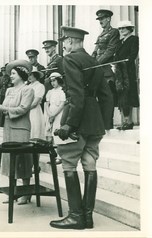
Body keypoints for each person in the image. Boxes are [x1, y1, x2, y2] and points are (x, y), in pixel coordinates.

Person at [49, 26, 113, 230]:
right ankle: (87, 217)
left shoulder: (70, 59)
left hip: (77, 119)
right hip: (95, 121)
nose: (64, 45)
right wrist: (105, 122)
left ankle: (75, 216)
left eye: (64, 41)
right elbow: (106, 95)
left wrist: (70, 124)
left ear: (70, 41)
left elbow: (76, 94)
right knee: (89, 163)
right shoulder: (94, 60)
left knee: (69, 163)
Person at [0, 59, 34, 205]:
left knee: (23, 160)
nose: (10, 76)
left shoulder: (28, 90)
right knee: (9, 160)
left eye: (13, 73)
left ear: (21, 75)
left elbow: (24, 108)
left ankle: (26, 193)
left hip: (21, 128)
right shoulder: (9, 90)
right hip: (8, 127)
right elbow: (5, 106)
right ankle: (13, 192)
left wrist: (4, 109)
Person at [92, 9, 120, 128]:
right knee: (99, 98)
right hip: (99, 69)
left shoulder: (113, 32)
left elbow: (110, 51)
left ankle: (108, 124)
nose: (100, 21)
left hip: (107, 69)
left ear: (108, 18)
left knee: (108, 98)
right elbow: (95, 51)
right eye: (99, 19)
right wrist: (90, 61)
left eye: (102, 19)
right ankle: (101, 124)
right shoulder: (101, 35)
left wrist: (96, 63)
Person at [113, 20, 139, 130]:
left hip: (128, 71)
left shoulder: (134, 39)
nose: (121, 30)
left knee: (129, 94)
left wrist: (123, 63)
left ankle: (129, 122)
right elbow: (116, 56)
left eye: (123, 28)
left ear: (129, 29)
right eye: (120, 29)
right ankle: (124, 121)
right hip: (119, 72)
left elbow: (133, 55)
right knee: (121, 95)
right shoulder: (120, 42)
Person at [41, 40, 64, 106]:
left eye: (48, 48)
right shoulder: (51, 61)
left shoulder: (59, 59)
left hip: (56, 92)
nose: (46, 50)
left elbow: (62, 75)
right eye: (45, 48)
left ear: (54, 48)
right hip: (50, 92)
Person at [28, 70, 45, 140]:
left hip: (34, 110)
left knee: (35, 128)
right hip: (27, 110)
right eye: (29, 75)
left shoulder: (40, 86)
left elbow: (35, 102)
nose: (29, 77)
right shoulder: (28, 86)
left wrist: (25, 108)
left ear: (36, 76)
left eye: (31, 75)